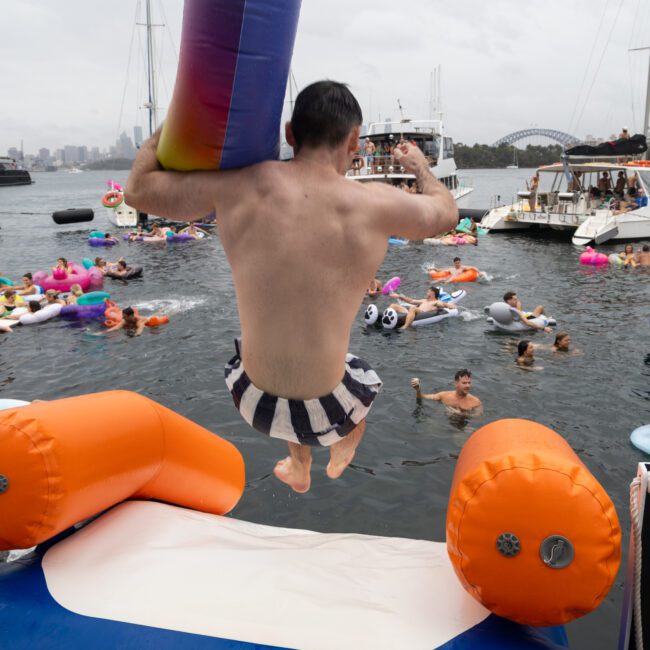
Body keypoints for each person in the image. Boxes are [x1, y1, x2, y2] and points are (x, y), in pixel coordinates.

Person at [126, 80, 458, 493]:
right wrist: (420, 168)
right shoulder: (375, 204)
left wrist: (176, 124)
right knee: (353, 375)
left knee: (283, 342)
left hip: (251, 398)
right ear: (354, 140)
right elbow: (447, 213)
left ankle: (298, 466)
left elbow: (137, 191)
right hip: (331, 409)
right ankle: (344, 445)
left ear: (289, 134)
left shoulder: (235, 185)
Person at [410, 370, 482, 413]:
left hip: (463, 424)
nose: (468, 386)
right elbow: (423, 397)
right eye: (464, 383)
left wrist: (460, 414)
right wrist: (418, 390)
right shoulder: (444, 395)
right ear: (456, 383)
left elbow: (478, 417)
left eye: (469, 383)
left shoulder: (475, 402)